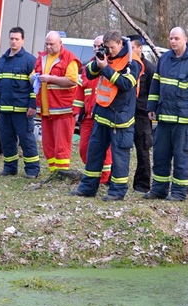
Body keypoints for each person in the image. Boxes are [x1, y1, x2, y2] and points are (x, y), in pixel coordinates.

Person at [70, 30, 144, 201]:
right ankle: (88, 188)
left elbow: (126, 84)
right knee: (94, 154)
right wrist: (99, 62)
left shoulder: (133, 62)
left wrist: (106, 68)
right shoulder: (105, 56)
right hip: (102, 115)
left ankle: (117, 192)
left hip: (121, 119)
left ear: (120, 44)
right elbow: (88, 73)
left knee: (120, 157)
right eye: (107, 47)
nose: (109, 50)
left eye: (112, 47)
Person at [144, 27, 188, 201]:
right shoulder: (164, 59)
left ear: (185, 39)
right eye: (171, 38)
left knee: (181, 157)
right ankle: (159, 190)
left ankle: (179, 192)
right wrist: (151, 107)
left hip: (185, 119)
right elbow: (156, 84)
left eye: (177, 39)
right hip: (164, 118)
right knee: (160, 155)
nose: (173, 42)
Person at [0, 27, 40, 178]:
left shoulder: (30, 61)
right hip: (4, 109)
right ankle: (10, 168)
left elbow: (34, 87)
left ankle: (32, 170)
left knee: (26, 140)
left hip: (22, 111)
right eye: (11, 38)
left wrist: (32, 105)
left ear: (23, 40)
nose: (13, 41)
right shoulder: (1, 61)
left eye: (17, 39)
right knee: (6, 140)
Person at [34, 31, 81, 177]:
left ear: (60, 43)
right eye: (47, 44)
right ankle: (54, 172)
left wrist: (50, 78)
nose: (48, 47)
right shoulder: (42, 57)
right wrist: (34, 78)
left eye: (52, 44)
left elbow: (72, 81)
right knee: (48, 146)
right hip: (46, 110)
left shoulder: (69, 58)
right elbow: (35, 73)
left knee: (62, 146)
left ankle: (62, 174)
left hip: (63, 109)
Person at [72, 35, 112, 185]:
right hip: (87, 116)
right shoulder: (88, 66)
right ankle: (92, 172)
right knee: (84, 149)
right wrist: (77, 111)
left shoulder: (110, 66)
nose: (97, 49)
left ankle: (104, 178)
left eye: (99, 46)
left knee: (105, 149)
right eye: (94, 46)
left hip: (102, 115)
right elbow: (80, 91)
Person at [127, 35, 156, 194]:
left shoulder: (149, 68)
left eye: (132, 48)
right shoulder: (127, 65)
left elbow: (153, 93)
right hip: (126, 114)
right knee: (120, 149)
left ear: (139, 48)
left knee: (143, 151)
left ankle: (142, 185)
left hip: (142, 116)